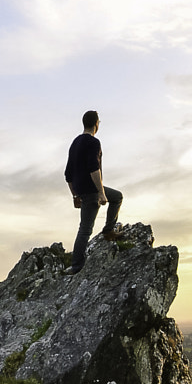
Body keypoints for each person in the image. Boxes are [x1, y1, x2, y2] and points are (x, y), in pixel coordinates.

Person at [64, 109, 123, 271]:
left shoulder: (75, 143)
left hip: (81, 190)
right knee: (85, 230)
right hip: (92, 191)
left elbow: (68, 174)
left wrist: (74, 195)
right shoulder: (93, 142)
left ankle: (109, 230)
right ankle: (76, 265)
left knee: (116, 197)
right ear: (96, 124)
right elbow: (93, 169)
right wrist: (101, 192)